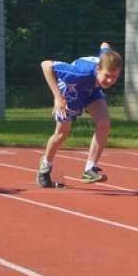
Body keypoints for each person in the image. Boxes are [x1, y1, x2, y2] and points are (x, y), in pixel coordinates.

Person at [36, 42, 123, 188]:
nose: (110, 81)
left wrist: (105, 47)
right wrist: (58, 96)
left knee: (104, 123)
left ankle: (90, 169)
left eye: (115, 77)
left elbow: (104, 45)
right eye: (107, 76)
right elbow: (45, 65)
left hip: (91, 91)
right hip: (71, 91)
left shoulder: (107, 58)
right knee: (61, 135)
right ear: (98, 69)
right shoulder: (77, 72)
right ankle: (45, 167)